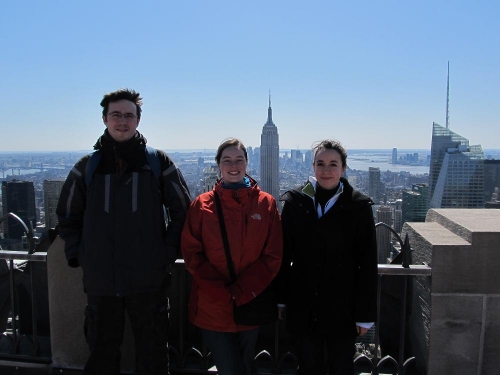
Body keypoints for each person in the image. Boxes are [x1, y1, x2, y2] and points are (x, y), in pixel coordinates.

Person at [56, 88, 191, 375]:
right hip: (101, 282)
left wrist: (165, 253)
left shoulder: (158, 163)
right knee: (102, 357)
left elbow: (183, 212)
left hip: (149, 281)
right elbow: (67, 215)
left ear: (138, 121)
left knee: (153, 357)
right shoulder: (87, 167)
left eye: (129, 115)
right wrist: (81, 254)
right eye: (116, 115)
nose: (122, 121)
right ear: (104, 119)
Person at [181, 138, 283, 375]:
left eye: (239, 159)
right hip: (212, 307)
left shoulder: (266, 204)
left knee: (244, 366)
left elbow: (273, 255)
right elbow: (192, 254)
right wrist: (222, 292)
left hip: (250, 304)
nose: (233, 165)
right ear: (218, 165)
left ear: (248, 163)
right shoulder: (201, 206)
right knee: (231, 368)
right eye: (227, 160)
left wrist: (243, 292)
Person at [280, 139, 378, 375]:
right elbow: (283, 255)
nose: (326, 170)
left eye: (333, 164)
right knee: (307, 366)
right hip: (304, 305)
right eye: (321, 163)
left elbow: (367, 263)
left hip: (342, 308)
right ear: (312, 166)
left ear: (343, 168)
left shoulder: (358, 205)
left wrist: (364, 315)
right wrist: (281, 300)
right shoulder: (296, 201)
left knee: (341, 366)